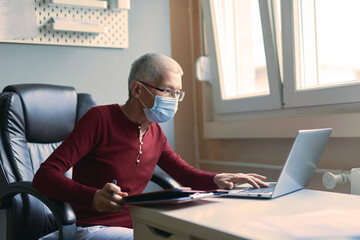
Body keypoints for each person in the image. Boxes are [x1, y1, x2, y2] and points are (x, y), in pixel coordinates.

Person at [33, 53, 268, 240]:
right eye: (167, 91)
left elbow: (184, 173)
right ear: (137, 90)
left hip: (140, 224)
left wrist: (218, 178)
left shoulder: (155, 131)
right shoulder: (100, 119)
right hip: (93, 228)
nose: (173, 99)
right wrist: (93, 197)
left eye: (177, 93)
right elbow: (44, 176)